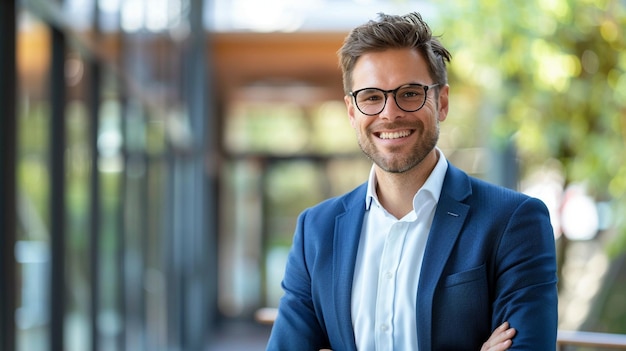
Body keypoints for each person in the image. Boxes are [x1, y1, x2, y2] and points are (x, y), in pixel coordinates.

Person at [266, 12, 558, 351]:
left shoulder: (513, 221)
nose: (390, 113)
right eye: (372, 97)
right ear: (351, 111)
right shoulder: (316, 231)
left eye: (409, 93)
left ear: (442, 101)